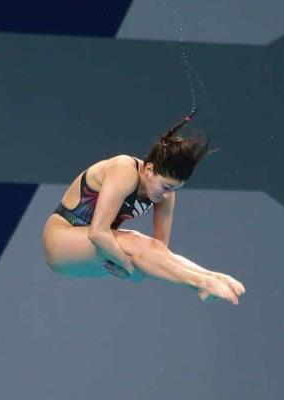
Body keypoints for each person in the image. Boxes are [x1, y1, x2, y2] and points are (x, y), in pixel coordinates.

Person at [42, 110, 245, 305]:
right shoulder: (124, 170)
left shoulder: (166, 193)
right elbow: (98, 233)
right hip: (61, 240)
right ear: (148, 170)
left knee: (150, 248)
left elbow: (160, 253)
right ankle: (203, 283)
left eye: (174, 189)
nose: (167, 194)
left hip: (95, 256)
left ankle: (212, 277)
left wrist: (139, 272)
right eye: (165, 186)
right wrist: (131, 269)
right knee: (134, 240)